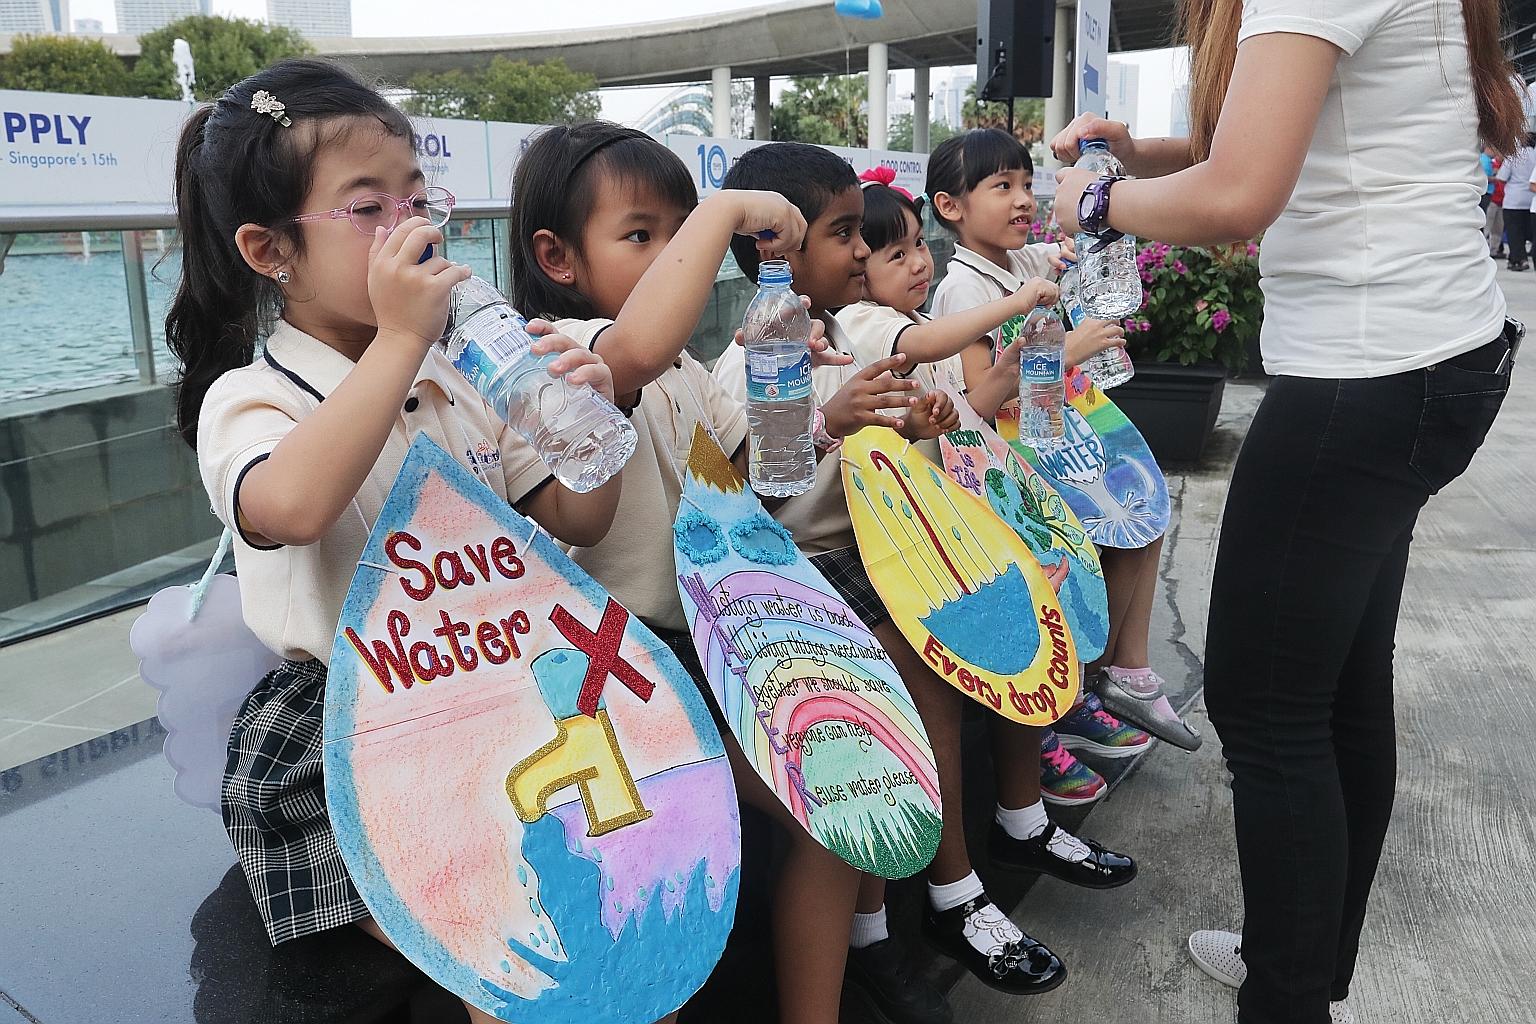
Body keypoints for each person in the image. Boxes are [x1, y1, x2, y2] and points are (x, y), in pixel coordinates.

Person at [1050, 1, 1522, 1021]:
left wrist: (1099, 199)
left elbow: (1240, 194)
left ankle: (1292, 996)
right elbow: (1298, 134)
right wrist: (1146, 152)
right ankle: (1303, 962)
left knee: (1270, 714)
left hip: (1365, 378)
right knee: (1339, 688)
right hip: (1434, 360)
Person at [166, 60, 625, 1024]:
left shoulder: (462, 380)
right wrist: (397, 345)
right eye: (369, 206)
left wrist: (590, 415)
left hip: (498, 698)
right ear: (269, 250)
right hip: (349, 736)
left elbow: (581, 520)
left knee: (629, 922)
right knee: (520, 956)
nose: (413, 227)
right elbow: (287, 507)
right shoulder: (252, 397)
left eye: (418, 196)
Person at [506, 120, 937, 1024]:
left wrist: (825, 423)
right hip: (611, 679)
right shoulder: (561, 359)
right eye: (642, 236)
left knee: (835, 805)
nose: (674, 258)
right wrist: (728, 208)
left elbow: (742, 486)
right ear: (556, 257)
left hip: (704, 644)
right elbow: (631, 355)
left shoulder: (689, 370)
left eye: (681, 233)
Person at [716, 142, 1138, 1011]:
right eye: (847, 236)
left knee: (993, 624)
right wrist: (832, 421)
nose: (866, 256)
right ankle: (939, 903)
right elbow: (759, 489)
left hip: (884, 551)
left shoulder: (836, 333)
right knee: (919, 699)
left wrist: (924, 420)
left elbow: (888, 454)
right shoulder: (759, 351)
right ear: (778, 247)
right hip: (814, 580)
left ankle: (928, 901)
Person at [927, 129, 1203, 778]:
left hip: (1051, 441)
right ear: (951, 208)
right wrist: (1066, 354)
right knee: (1063, 568)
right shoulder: (962, 292)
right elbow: (976, 409)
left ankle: (1117, 672)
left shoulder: (1022, 263)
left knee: (1142, 509)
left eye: (1028, 184)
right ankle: (1056, 706)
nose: (1024, 200)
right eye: (1002, 187)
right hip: (1001, 473)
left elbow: (1074, 261)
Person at [1495, 133, 1535, 269]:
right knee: (1527, 231)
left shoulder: (1514, 155)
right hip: (1531, 200)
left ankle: (1519, 259)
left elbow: (1502, 177)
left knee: (1514, 231)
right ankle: (1521, 256)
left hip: (1514, 200)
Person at [1484, 145, 1507, 257]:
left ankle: (1494, 250)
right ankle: (1483, 248)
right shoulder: (1491, 163)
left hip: (1501, 200)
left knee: (1498, 228)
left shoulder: (1505, 166)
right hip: (1492, 199)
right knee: (1487, 226)